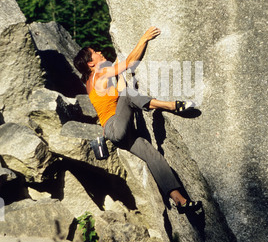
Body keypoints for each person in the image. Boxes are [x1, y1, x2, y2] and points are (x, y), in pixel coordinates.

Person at [74, 26, 201, 213]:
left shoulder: (91, 82)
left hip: (117, 132)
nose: (100, 52)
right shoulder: (99, 73)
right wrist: (143, 39)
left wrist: (120, 72)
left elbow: (117, 93)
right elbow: (130, 63)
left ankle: (181, 201)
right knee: (128, 94)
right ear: (91, 64)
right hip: (115, 126)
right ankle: (172, 106)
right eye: (95, 53)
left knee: (152, 155)